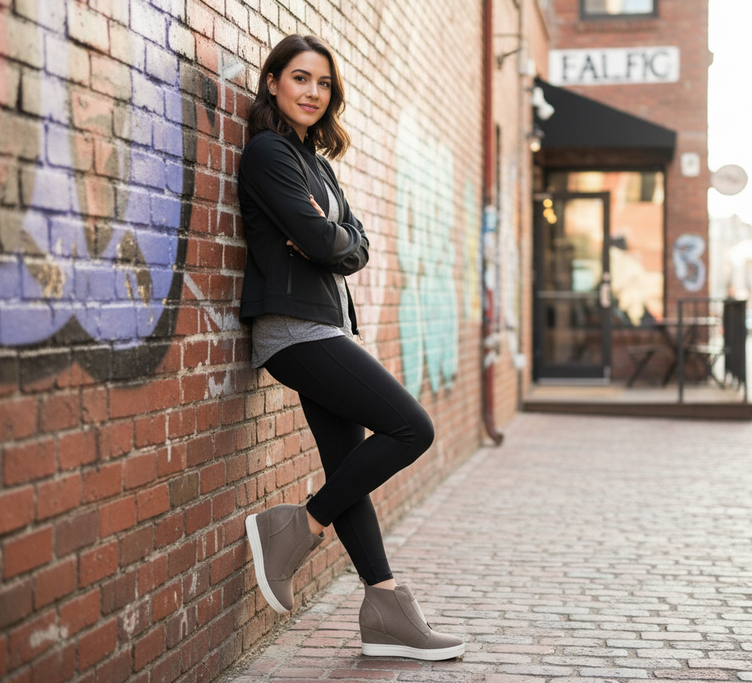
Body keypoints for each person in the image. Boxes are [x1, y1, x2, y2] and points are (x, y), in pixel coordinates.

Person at [236, 34, 465, 662]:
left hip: (325, 325)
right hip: (294, 328)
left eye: (324, 84)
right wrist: (326, 238)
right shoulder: (267, 154)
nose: (313, 92)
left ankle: (386, 610)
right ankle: (295, 529)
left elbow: (351, 246)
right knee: (411, 429)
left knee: (349, 470)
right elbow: (323, 241)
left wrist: (330, 238)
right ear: (274, 82)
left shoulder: (316, 164)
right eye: (301, 78)